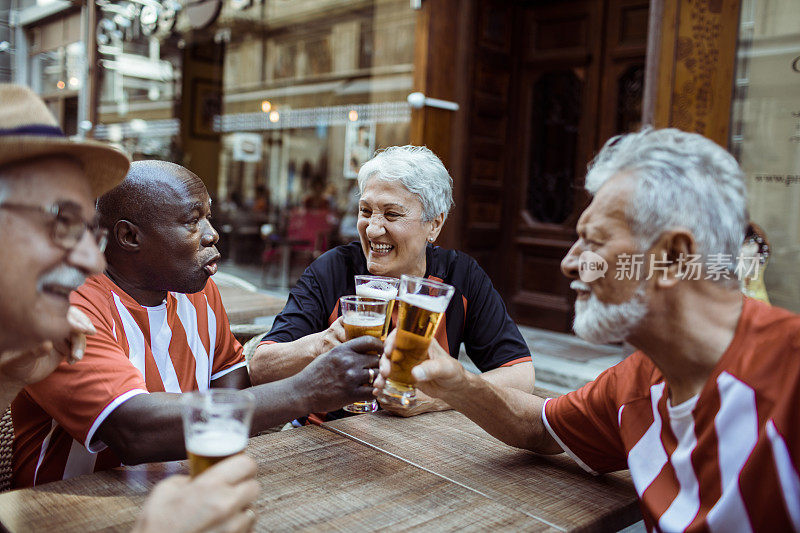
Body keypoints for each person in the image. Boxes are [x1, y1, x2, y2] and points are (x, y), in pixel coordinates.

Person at [375, 128, 800, 530]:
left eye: (593, 242)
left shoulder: (789, 377)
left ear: (672, 257)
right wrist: (458, 384)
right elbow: (541, 429)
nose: (570, 262)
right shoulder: (638, 379)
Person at [12, 159, 381, 488]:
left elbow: (231, 386)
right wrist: (308, 390)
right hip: (73, 508)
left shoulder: (197, 290)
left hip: (186, 494)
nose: (211, 234)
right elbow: (132, 430)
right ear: (129, 236)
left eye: (208, 217)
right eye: (192, 221)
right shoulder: (66, 303)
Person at [0, 84, 258, 531]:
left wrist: (7, 379)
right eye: (60, 225)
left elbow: (228, 376)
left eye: (84, 229)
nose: (86, 258)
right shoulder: (88, 299)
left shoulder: (36, 346)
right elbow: (133, 430)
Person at [252, 145, 534, 418]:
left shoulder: (460, 275)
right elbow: (260, 368)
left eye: (392, 214)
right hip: (327, 438)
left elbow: (520, 374)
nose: (373, 229)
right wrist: (318, 344)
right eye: (365, 211)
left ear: (434, 224)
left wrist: (439, 397)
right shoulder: (332, 269)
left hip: (424, 446)